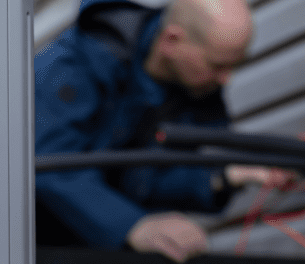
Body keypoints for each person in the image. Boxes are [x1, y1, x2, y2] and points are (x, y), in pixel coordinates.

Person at [34, 0, 263, 262]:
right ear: (172, 40)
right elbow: (47, 165)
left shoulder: (193, 91)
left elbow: (143, 181)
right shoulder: (73, 65)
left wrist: (224, 177)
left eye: (235, 65)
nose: (226, 79)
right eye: (217, 65)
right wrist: (132, 225)